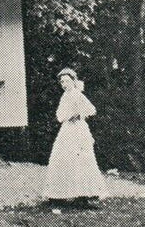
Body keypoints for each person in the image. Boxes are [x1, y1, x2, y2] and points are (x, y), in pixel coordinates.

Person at [44, 68, 106, 207]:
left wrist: (80, 114)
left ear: (73, 81)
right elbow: (60, 115)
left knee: (82, 160)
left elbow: (92, 109)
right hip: (67, 130)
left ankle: (82, 196)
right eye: (62, 82)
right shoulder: (64, 96)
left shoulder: (78, 95)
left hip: (79, 129)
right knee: (62, 158)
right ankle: (58, 195)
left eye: (66, 81)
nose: (64, 84)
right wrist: (68, 115)